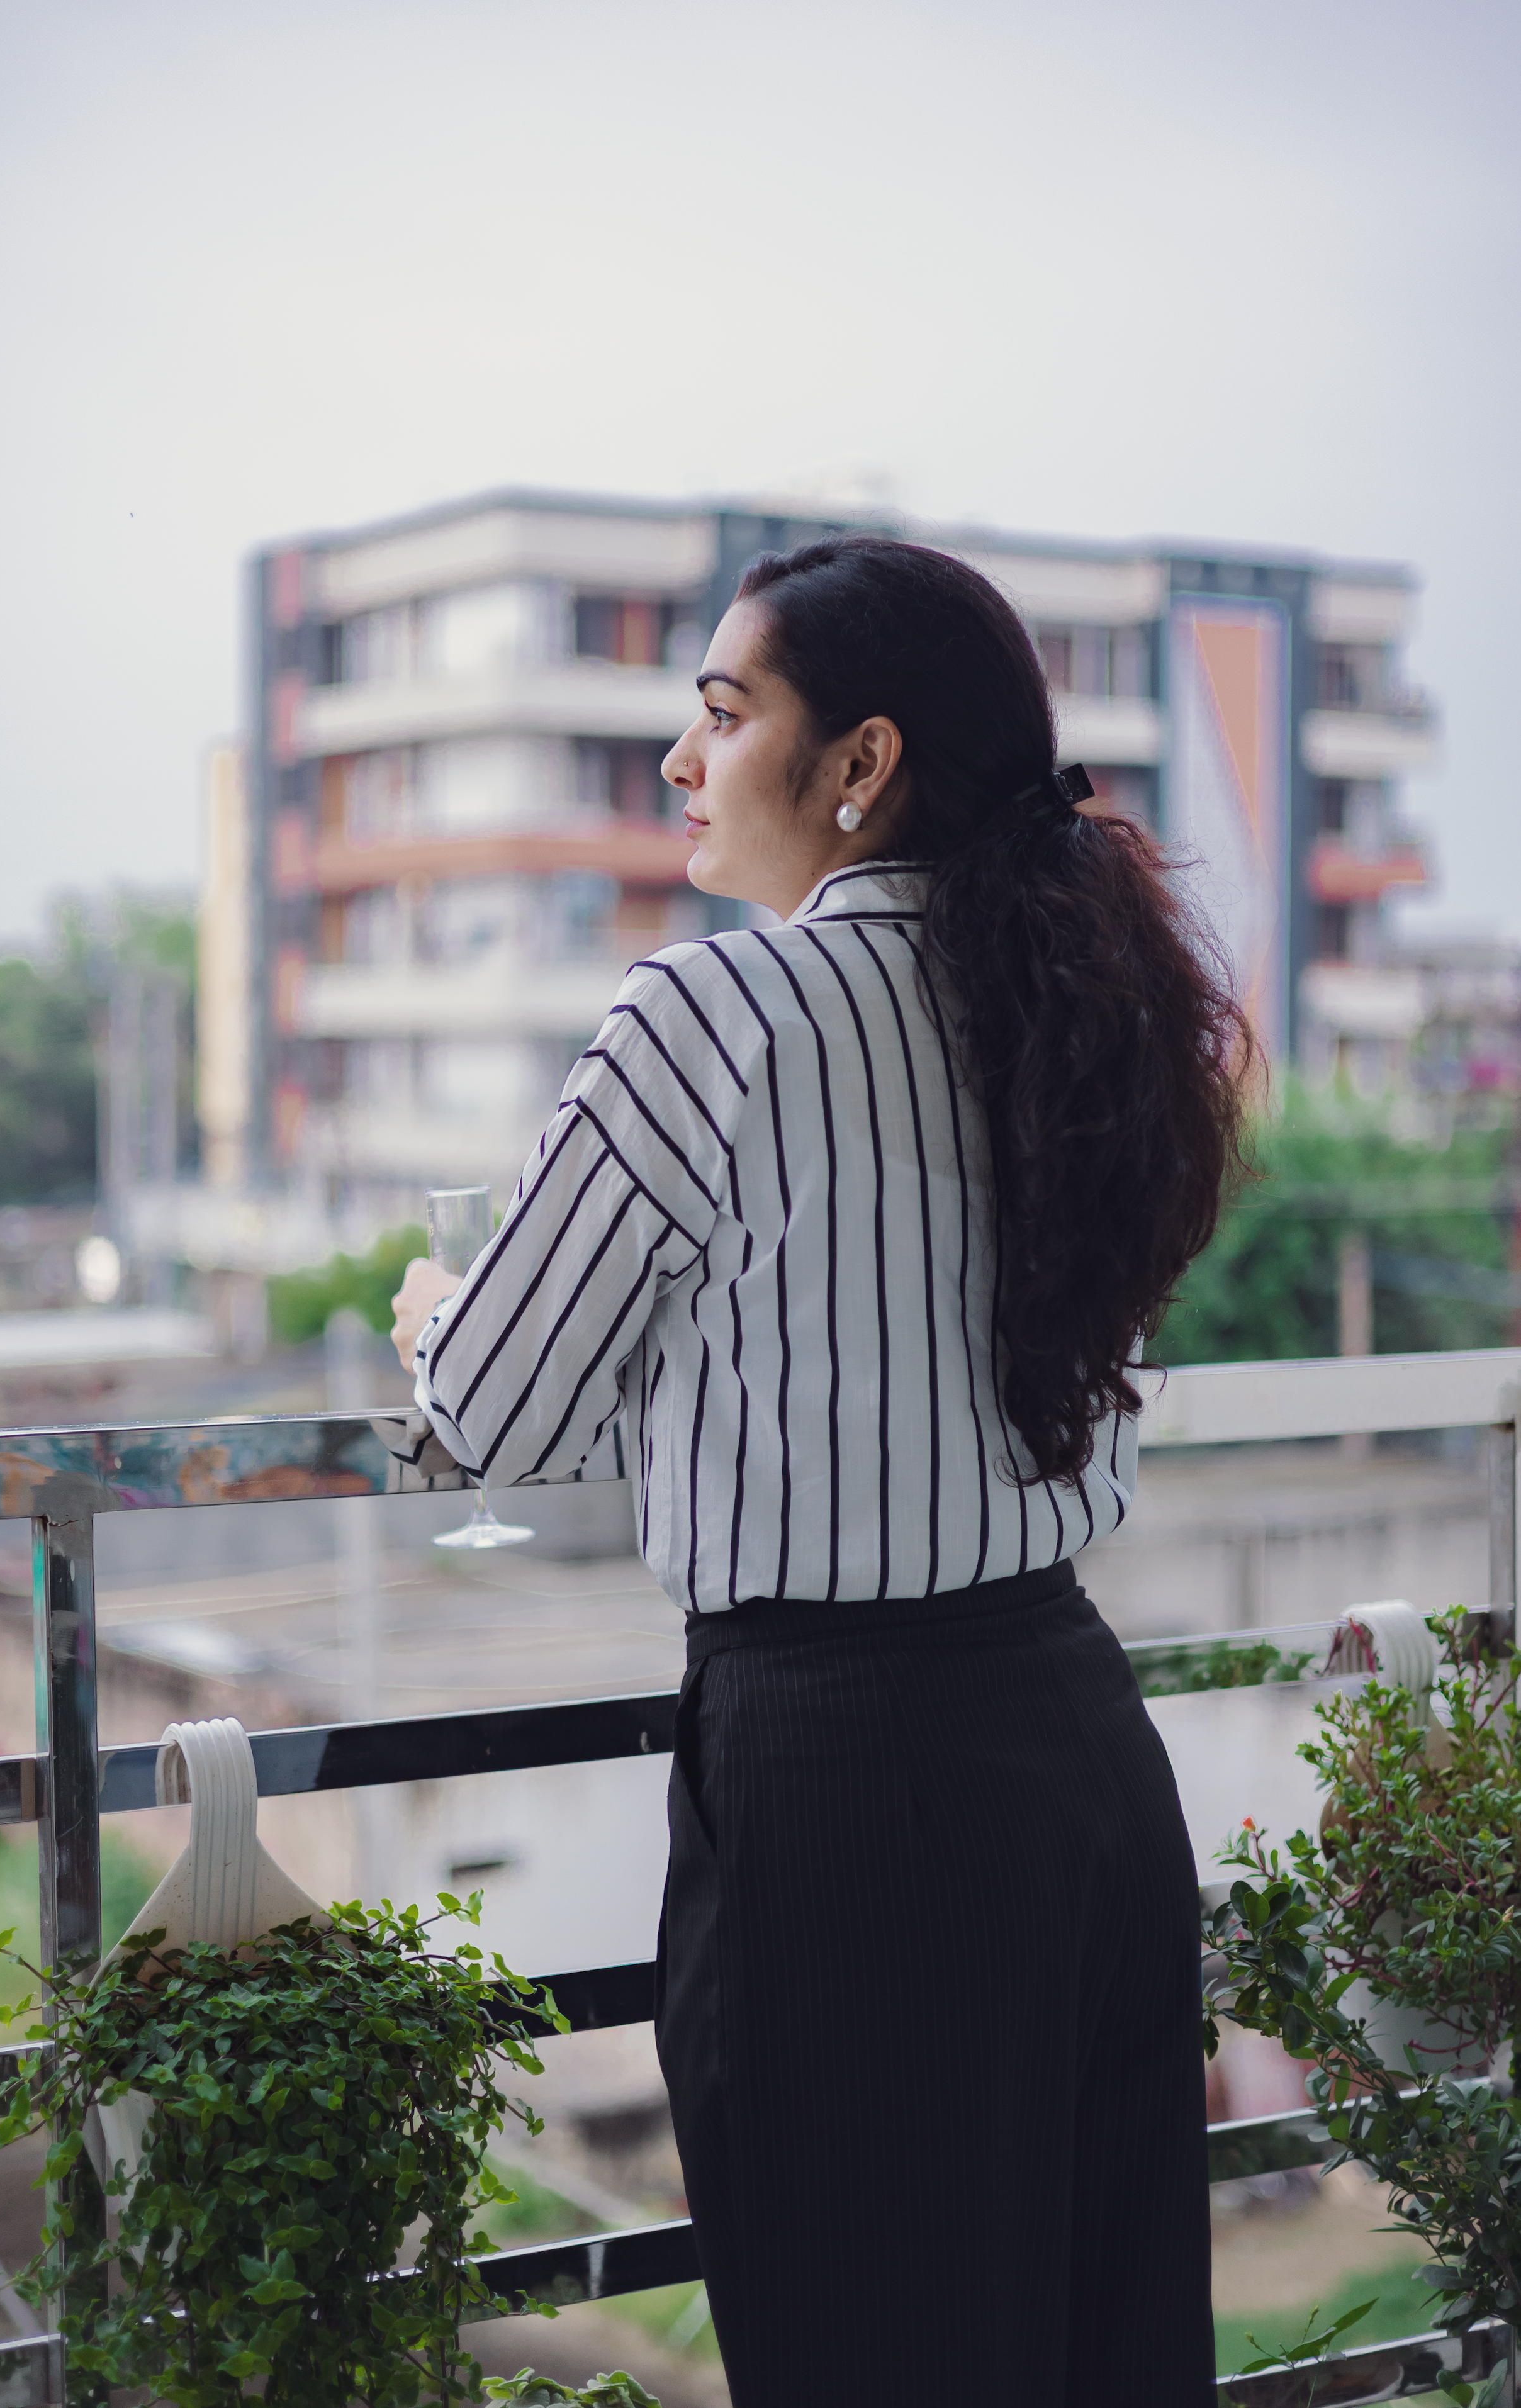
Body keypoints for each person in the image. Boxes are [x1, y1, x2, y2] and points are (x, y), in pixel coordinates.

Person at [391, 534, 1252, 2407]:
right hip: (1076, 1751)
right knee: (1101, 2344)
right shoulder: (1063, 1021)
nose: (679, 766)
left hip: (846, 1787)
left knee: (864, 2345)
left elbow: (505, 1410)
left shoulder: (701, 1017)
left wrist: (434, 1308)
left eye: (719, 715)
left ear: (856, 765)